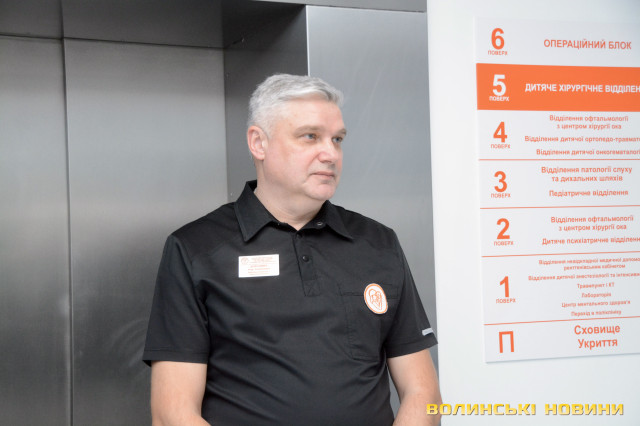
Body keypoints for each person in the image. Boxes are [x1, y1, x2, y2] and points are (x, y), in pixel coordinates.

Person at [143, 74, 441, 425]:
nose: (330, 154)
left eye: (337, 139)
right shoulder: (195, 249)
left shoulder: (378, 243)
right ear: (259, 143)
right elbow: (172, 413)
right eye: (310, 136)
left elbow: (424, 393)